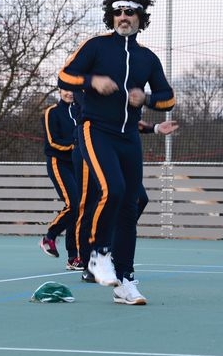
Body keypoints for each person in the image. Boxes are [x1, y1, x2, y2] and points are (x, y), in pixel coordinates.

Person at [59, 0, 175, 305]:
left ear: (141, 17)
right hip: (95, 130)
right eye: (118, 12)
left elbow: (168, 97)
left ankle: (126, 281)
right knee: (113, 189)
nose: (123, 17)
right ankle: (97, 253)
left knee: (130, 205)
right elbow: (64, 77)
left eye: (130, 12)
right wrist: (90, 81)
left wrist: (147, 98)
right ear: (111, 16)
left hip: (128, 138)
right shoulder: (96, 46)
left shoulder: (147, 58)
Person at [75, 117, 179, 284]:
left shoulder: (126, 96)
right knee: (100, 201)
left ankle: (121, 267)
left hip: (120, 148)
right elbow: (99, 114)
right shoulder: (85, 97)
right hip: (95, 145)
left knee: (137, 200)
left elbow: (124, 116)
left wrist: (154, 127)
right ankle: (91, 262)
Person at [39, 86, 81, 268]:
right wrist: (75, 145)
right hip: (59, 163)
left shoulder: (81, 111)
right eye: (66, 89)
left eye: (73, 89)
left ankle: (74, 258)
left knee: (79, 208)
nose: (69, 93)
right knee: (73, 204)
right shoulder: (51, 113)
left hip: (78, 164)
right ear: (60, 90)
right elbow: (53, 141)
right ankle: (49, 237)